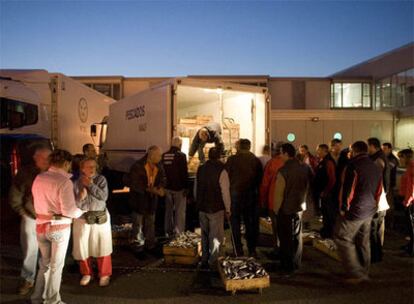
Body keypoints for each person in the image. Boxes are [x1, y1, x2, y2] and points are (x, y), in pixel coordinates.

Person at [31, 149, 84, 304]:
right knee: (56, 266)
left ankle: (37, 297)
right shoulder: (64, 182)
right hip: (59, 227)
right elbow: (69, 210)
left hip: (40, 226)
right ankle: (53, 300)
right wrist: (82, 209)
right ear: (66, 163)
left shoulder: (39, 178)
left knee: (44, 265)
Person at [334, 141, 382, 284]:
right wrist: (375, 204)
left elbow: (349, 189)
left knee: (342, 238)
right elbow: (379, 189)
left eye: (350, 151)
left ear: (354, 151)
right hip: (369, 209)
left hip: (355, 210)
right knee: (363, 241)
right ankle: (364, 271)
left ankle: (356, 273)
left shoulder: (353, 166)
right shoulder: (374, 166)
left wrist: (344, 207)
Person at [9, 146, 51, 296]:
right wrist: (23, 213)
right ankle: (27, 278)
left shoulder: (54, 172)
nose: (47, 161)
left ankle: (46, 279)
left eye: (49, 158)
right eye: (44, 158)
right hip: (31, 216)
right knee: (30, 250)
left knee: (48, 252)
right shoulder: (26, 173)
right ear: (36, 158)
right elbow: (15, 194)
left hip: (50, 219)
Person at [72, 157, 112, 287]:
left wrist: (90, 184)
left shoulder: (101, 180)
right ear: (82, 168)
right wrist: (80, 198)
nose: (92, 169)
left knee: (102, 246)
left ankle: (104, 273)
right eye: (88, 167)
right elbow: (76, 203)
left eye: (94, 167)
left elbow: (103, 197)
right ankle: (86, 273)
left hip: (99, 218)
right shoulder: (76, 182)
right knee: (83, 247)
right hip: (83, 219)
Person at [273, 143, 312, 273]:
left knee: (285, 239)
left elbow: (279, 193)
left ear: (285, 154)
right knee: (297, 236)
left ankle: (287, 266)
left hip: (286, 208)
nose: (279, 155)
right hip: (299, 207)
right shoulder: (305, 168)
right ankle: (296, 263)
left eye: (281, 153)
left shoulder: (283, 171)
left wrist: (276, 210)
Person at [226, 139, 263, 256]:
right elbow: (260, 179)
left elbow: (226, 177)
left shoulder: (232, 160)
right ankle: (252, 249)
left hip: (235, 195)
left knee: (235, 222)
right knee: (250, 223)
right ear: (249, 147)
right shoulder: (256, 161)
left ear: (239, 147)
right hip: (251, 195)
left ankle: (238, 250)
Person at [195, 147, 231, 268]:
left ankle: (204, 259)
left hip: (202, 207)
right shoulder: (222, 170)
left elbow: (196, 188)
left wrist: (198, 202)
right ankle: (214, 262)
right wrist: (228, 209)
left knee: (204, 235)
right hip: (215, 208)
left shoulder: (200, 168)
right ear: (220, 156)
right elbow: (225, 192)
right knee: (215, 236)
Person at [128, 146, 166, 252]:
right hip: (139, 201)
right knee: (138, 225)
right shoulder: (138, 166)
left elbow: (163, 178)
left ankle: (150, 245)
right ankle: (138, 248)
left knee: (150, 223)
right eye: (159, 155)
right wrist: (151, 190)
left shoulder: (159, 166)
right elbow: (134, 183)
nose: (160, 157)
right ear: (151, 156)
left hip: (151, 200)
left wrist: (160, 187)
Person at [259, 141, 285, 257]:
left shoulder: (273, 163)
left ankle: (277, 250)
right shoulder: (294, 163)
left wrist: (263, 201)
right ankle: (289, 250)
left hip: (274, 200)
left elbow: (265, 184)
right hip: (290, 203)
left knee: (276, 228)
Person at [368, 137, 390, 263]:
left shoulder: (378, 159)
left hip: (378, 202)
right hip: (381, 201)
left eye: (368, 146)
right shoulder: (380, 157)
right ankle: (377, 254)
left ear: (373, 146)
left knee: (374, 230)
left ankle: (375, 255)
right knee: (377, 230)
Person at [162, 137, 188, 237]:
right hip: (179, 188)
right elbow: (183, 173)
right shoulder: (181, 156)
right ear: (180, 145)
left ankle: (167, 231)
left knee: (168, 211)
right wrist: (186, 187)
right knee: (179, 211)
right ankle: (179, 233)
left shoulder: (164, 155)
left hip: (167, 188)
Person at [314, 144, 336, 238]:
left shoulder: (328, 162)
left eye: (319, 150)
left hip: (328, 194)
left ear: (324, 151)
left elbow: (332, 179)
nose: (317, 152)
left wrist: (325, 191)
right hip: (323, 192)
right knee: (325, 213)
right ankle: (326, 230)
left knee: (328, 214)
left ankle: (329, 233)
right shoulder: (323, 161)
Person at [397, 149, 414, 256]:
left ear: (406, 157)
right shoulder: (409, 168)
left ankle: (411, 250)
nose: (400, 160)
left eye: (401, 157)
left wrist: (407, 201)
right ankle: (410, 245)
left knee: (412, 227)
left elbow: (412, 187)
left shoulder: (412, 168)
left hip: (411, 202)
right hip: (408, 200)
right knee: (410, 226)